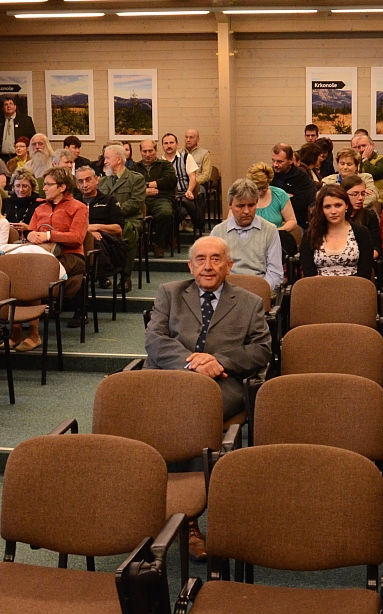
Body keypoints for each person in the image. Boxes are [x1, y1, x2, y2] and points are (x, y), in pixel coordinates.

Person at [144, 235, 272, 559]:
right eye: (200, 259)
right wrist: (193, 363)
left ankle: (186, 518)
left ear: (229, 265)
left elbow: (261, 349)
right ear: (191, 266)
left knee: (193, 415)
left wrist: (219, 361)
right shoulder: (170, 293)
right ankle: (146, 509)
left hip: (221, 385)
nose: (208, 266)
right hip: (170, 377)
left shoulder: (249, 302)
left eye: (216, 259)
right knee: (148, 409)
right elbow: (155, 339)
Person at [28, 167, 90, 328]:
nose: (44, 188)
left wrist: (49, 235)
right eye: (44, 184)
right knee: (22, 268)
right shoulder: (40, 208)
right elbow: (31, 230)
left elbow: (77, 238)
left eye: (49, 184)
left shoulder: (78, 207)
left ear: (62, 187)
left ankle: (37, 313)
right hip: (41, 254)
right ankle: (21, 318)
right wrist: (29, 235)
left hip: (71, 255)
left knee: (40, 269)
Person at [210, 179, 283, 290]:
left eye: (251, 205)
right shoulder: (218, 232)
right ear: (230, 205)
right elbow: (213, 270)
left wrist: (260, 290)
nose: (246, 211)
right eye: (240, 206)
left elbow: (275, 273)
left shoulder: (270, 230)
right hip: (227, 292)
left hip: (258, 291)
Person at [300, 184, 373, 279]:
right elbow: (309, 274)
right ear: (321, 209)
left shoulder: (361, 233)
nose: (333, 211)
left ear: (346, 205)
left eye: (338, 205)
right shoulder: (310, 234)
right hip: (319, 286)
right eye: (327, 207)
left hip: (354, 286)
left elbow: (365, 272)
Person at [75, 165, 129, 289]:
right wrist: (88, 231)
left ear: (96, 179)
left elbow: (118, 228)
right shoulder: (74, 203)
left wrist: (96, 227)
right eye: (80, 181)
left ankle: (100, 273)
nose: (84, 184)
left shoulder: (109, 201)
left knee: (95, 241)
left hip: (105, 239)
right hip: (80, 238)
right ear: (77, 185)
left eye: (88, 179)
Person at [99, 144, 144, 289]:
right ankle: (101, 274)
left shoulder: (136, 179)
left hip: (128, 219)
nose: (105, 161)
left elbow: (135, 203)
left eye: (107, 158)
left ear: (118, 159)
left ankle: (125, 277)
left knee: (128, 232)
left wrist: (112, 213)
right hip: (106, 221)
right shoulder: (102, 181)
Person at [132, 139, 176, 258]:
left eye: (150, 151)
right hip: (142, 200)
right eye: (144, 151)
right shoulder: (134, 168)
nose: (147, 154)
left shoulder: (165, 165)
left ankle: (158, 244)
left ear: (156, 151)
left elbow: (170, 180)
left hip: (162, 199)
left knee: (165, 213)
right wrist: (145, 190)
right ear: (140, 152)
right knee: (132, 214)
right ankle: (141, 244)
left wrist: (145, 184)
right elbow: (131, 185)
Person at [162, 133, 202, 233]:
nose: (169, 145)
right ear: (162, 146)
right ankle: (197, 221)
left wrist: (189, 191)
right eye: (166, 143)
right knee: (181, 211)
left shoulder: (186, 157)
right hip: (168, 197)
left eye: (171, 143)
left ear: (177, 144)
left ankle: (172, 234)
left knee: (182, 208)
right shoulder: (159, 162)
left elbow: (193, 177)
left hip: (185, 193)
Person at [269, 143, 315, 228]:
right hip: (271, 222)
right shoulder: (269, 176)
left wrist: (275, 198)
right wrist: (286, 197)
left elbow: (300, 203)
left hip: (297, 223)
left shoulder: (301, 177)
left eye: (280, 161)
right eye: (273, 160)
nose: (275, 165)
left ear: (290, 160)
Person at [247, 163, 297, 235]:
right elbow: (231, 222)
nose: (260, 193)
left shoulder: (280, 195)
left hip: (275, 237)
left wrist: (274, 232)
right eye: (256, 189)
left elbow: (292, 221)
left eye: (264, 188)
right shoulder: (241, 196)